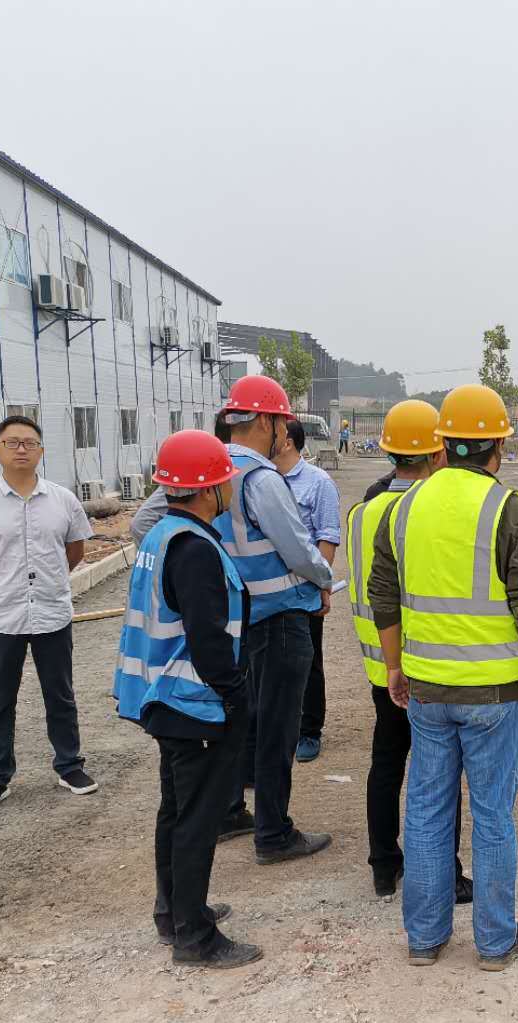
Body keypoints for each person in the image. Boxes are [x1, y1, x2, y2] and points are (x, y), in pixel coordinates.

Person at [366, 384, 518, 970]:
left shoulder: (402, 508)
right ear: (499, 445)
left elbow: (382, 595)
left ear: (443, 444)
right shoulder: (509, 509)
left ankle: (424, 937)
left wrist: (394, 666)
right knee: (493, 815)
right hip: (495, 694)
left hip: (426, 689)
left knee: (426, 809)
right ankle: (495, 942)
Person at [131, 375, 335, 863]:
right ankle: (274, 833)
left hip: (227, 623)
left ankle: (228, 813)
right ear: (266, 422)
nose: (284, 432)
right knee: (276, 728)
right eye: (282, 421)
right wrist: (324, 580)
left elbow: (143, 525)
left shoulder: (202, 467)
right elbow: (297, 549)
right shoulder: (262, 478)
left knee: (236, 717)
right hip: (279, 617)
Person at [114, 430, 262, 968]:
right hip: (193, 702)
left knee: (176, 810)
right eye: (226, 479)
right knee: (197, 820)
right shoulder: (195, 549)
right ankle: (195, 937)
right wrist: (236, 696)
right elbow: (207, 637)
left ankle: (174, 912)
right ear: (209, 488)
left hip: (164, 696)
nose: (230, 487)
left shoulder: (162, 535)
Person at [347, 399, 473, 903]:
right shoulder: (426, 512)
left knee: (386, 761)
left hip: (379, 665)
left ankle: (383, 864)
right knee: (439, 771)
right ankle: (447, 872)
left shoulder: (361, 513)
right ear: (438, 453)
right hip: (423, 665)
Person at [0, 416, 97, 813]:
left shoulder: (63, 500)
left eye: (29, 442)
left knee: (60, 694)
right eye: (12, 442)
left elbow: (74, 551)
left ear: (41, 450)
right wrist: (0, 587)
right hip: (1, 617)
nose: (21, 449)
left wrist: (48, 583)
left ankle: (69, 765)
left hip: (52, 613)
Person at [274, 419, 342, 763]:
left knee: (308, 660)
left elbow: (327, 537)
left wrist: (321, 584)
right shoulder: (262, 480)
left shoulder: (318, 483)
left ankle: (309, 730)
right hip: (266, 590)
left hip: (303, 589)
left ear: (287, 442)